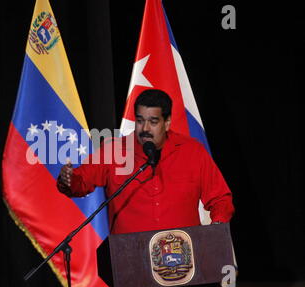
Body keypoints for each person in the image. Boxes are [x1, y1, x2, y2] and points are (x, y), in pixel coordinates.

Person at [57, 89, 234, 234]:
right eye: (140, 121)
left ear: (167, 123)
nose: (145, 129)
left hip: (185, 261)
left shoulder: (193, 151)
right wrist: (69, 180)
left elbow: (220, 199)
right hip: (130, 260)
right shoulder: (114, 150)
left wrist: (215, 229)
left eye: (153, 122)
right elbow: (81, 183)